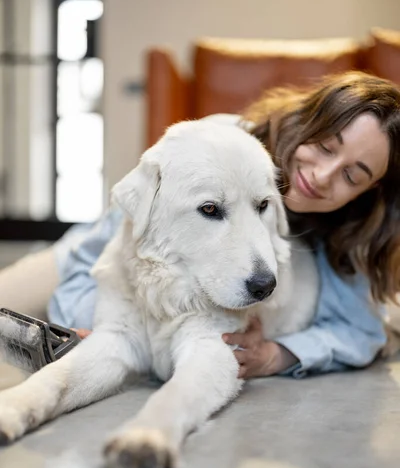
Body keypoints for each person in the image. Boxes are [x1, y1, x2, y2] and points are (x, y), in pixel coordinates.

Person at [1, 71, 400, 379]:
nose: (323, 175)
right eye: (326, 146)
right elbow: (91, 258)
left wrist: (277, 355)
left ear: (371, 188)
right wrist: (87, 323)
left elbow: (363, 331)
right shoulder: (217, 143)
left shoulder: (352, 231)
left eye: (353, 175)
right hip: (82, 260)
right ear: (305, 120)